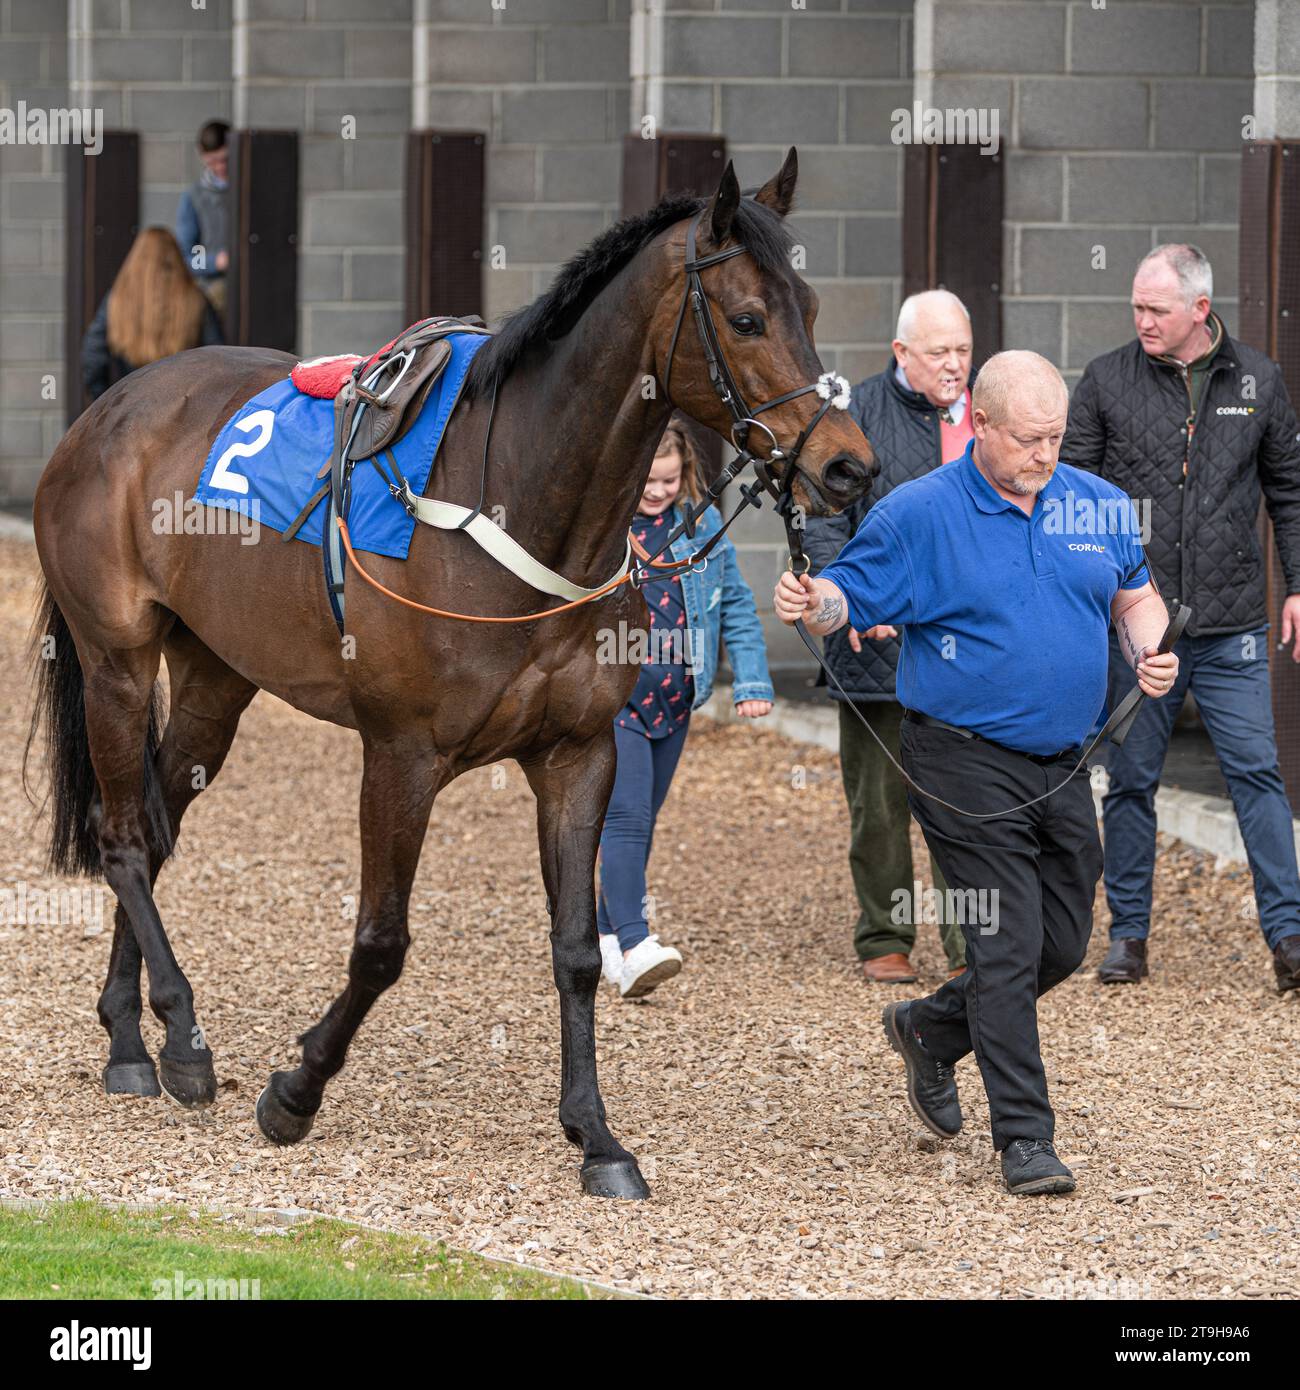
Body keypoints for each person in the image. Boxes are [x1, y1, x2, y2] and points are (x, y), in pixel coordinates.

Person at [774, 351, 1179, 1196]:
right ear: (983, 426)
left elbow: (1135, 593)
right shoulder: (921, 514)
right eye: (1029, 438)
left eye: (1056, 438)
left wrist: (1148, 645)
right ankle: (1025, 1140)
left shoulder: (1094, 504)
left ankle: (927, 1028)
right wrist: (811, 601)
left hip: (1062, 759)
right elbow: (848, 597)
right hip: (957, 754)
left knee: (1062, 942)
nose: (1045, 454)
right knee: (1003, 941)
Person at [1064, 244, 1300, 992]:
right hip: (1142, 629)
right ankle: (1128, 937)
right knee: (1131, 779)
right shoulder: (1106, 380)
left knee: (1257, 775)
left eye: (1156, 309)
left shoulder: (1257, 381)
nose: (1141, 321)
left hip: (1233, 624)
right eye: (1135, 306)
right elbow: (1072, 495)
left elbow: (1290, 491)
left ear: (1200, 309)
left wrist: (1298, 586)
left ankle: (1290, 938)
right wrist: (1098, 595)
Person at [804, 289, 975, 985]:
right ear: (902, 352)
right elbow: (824, 521)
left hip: (968, 654)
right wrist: (842, 598)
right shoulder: (859, 416)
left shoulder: (985, 416)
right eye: (940, 352)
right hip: (874, 651)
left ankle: (972, 948)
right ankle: (884, 936)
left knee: (967, 805)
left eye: (964, 349)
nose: (956, 365)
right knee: (878, 804)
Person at [597, 418, 775, 998]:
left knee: (643, 821)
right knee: (624, 819)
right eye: (649, 480)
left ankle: (601, 938)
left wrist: (750, 681)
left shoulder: (702, 528)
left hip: (678, 698)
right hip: (615, 696)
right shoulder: (605, 530)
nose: (658, 491)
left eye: (669, 480)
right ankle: (635, 941)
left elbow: (740, 608)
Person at [81, 226, 225, 403]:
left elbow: (92, 355)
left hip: (131, 404)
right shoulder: (194, 298)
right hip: (182, 406)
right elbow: (218, 356)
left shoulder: (118, 298)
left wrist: (104, 399)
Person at [175, 119, 230, 312]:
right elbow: (186, 256)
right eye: (213, 162)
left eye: (225, 159)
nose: (220, 167)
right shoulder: (194, 197)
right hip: (212, 289)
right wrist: (216, 262)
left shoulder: (250, 190)